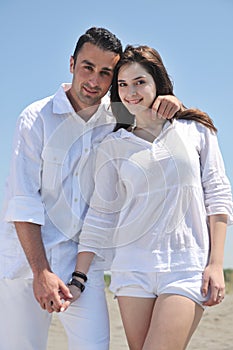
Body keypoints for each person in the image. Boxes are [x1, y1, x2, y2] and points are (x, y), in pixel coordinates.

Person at [0, 27, 182, 350]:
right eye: (87, 67)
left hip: (83, 271)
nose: (94, 81)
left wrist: (171, 101)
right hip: (26, 266)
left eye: (105, 73)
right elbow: (23, 200)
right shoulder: (35, 119)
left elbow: (155, 110)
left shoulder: (119, 116)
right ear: (71, 63)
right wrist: (41, 272)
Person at [66, 45, 233, 350]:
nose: (131, 92)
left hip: (185, 267)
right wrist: (79, 275)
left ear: (158, 82)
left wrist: (215, 264)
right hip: (132, 270)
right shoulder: (112, 144)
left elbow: (218, 195)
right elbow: (101, 214)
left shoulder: (195, 130)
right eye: (122, 84)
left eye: (140, 82)